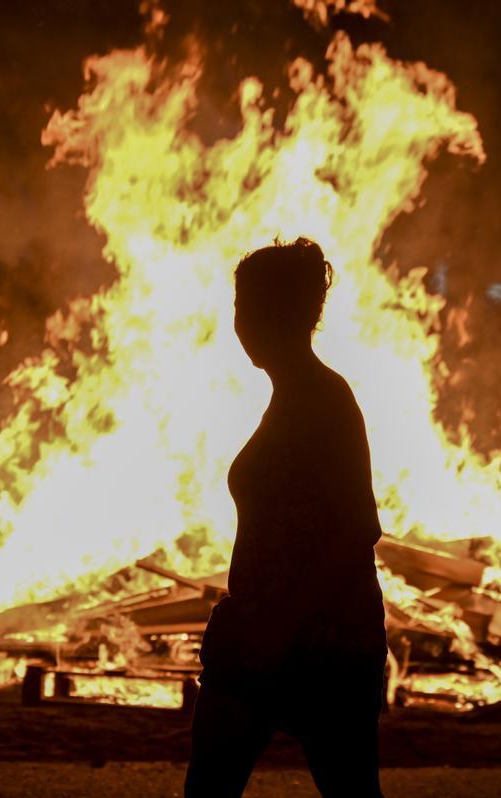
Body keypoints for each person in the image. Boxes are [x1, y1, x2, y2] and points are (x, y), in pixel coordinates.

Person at [184, 239, 387, 797]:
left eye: (251, 308)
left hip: (322, 645)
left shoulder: (324, 400)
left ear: (288, 315)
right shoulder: (291, 397)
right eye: (238, 308)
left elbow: (356, 528)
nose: (242, 324)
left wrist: (280, 621)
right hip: (260, 638)